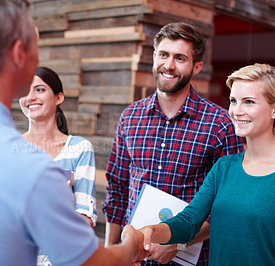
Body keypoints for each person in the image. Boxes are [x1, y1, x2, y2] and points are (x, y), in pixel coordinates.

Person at [0, 0, 147, 265]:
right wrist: (132, 246)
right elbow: (89, 262)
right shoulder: (35, 170)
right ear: (20, 53)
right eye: (36, 43)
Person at [139, 63, 275, 265]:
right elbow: (189, 221)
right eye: (233, 101)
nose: (236, 111)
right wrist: (150, 231)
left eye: (249, 102)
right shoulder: (223, 167)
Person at [102, 22, 243, 265]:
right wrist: (111, 254)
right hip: (134, 258)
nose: (169, 65)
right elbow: (117, 191)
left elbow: (228, 205)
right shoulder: (130, 117)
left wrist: (178, 244)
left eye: (180, 58)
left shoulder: (220, 124)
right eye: (164, 55)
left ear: (196, 66)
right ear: (154, 56)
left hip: (189, 260)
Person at [20, 66, 97, 228]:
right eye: (24, 90)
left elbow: (86, 220)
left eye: (39, 90)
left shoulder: (80, 149)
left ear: (58, 98)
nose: (30, 97)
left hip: (62, 253)